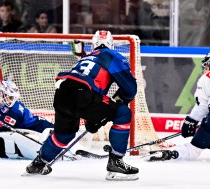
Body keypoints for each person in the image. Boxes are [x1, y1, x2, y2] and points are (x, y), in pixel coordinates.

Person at [25, 30, 139, 181]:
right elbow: (130, 89)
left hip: (61, 94)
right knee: (123, 114)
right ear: (111, 45)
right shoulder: (112, 55)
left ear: (94, 45)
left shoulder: (85, 59)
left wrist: (94, 118)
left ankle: (38, 164)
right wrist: (120, 101)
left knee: (63, 135)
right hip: (82, 96)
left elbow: (90, 98)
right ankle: (116, 163)